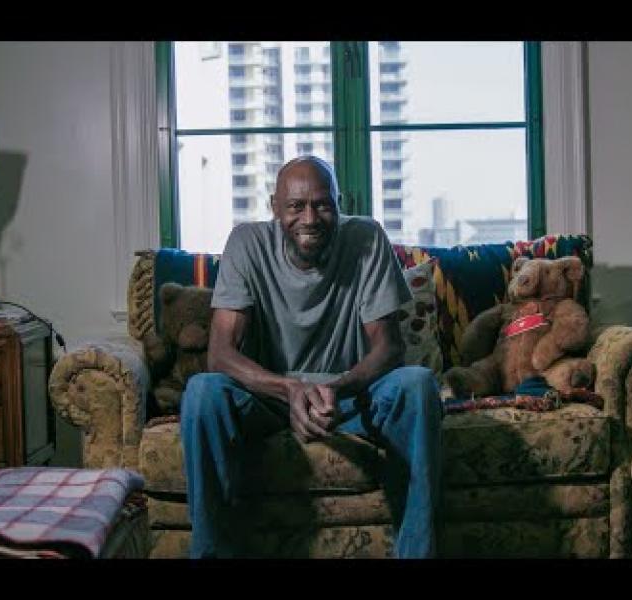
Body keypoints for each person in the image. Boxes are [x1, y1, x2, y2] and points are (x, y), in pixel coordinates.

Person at [180, 156, 443, 559]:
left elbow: (389, 347)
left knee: (418, 384)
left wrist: (337, 387)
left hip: (349, 396)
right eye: (296, 206)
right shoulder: (246, 243)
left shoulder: (367, 238)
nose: (310, 218)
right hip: (268, 399)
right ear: (274, 207)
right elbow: (221, 354)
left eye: (322, 205)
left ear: (339, 203)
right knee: (203, 392)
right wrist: (289, 389)